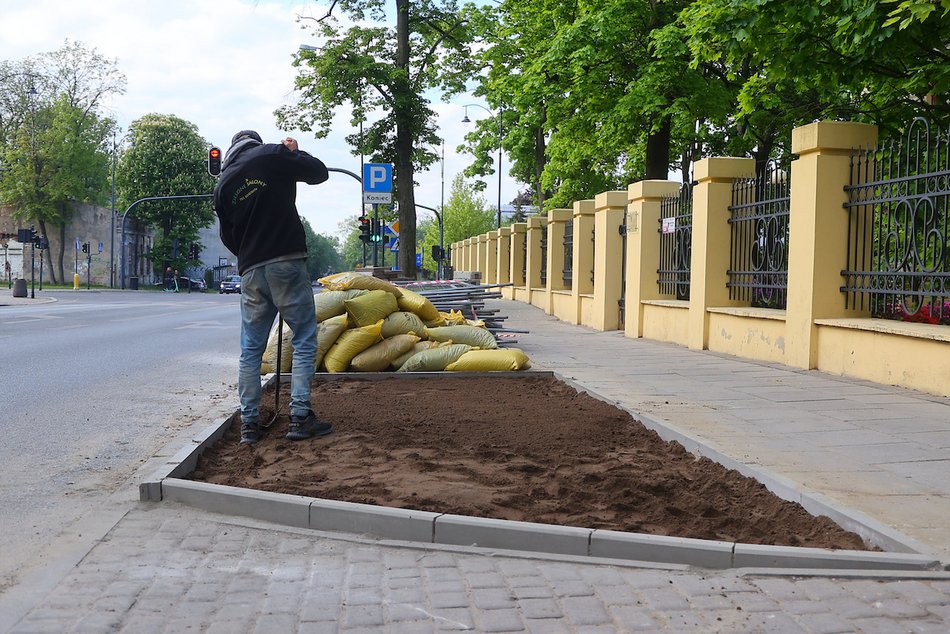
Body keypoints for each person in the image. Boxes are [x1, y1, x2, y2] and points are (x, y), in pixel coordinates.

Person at [213, 130, 332, 445]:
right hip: (287, 261)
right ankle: (299, 417)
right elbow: (318, 173)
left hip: (251, 271)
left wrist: (252, 253)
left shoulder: (223, 185)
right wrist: (293, 152)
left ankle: (249, 425)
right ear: (254, 142)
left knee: (250, 350)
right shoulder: (270, 154)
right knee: (305, 339)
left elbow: (228, 238)